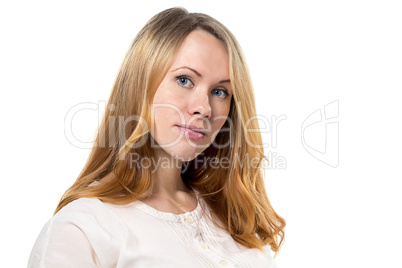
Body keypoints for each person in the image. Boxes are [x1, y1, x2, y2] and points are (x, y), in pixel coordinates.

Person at [28, 7, 285, 267]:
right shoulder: (81, 229)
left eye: (220, 92)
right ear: (141, 84)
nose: (204, 108)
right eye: (184, 80)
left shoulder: (234, 220)